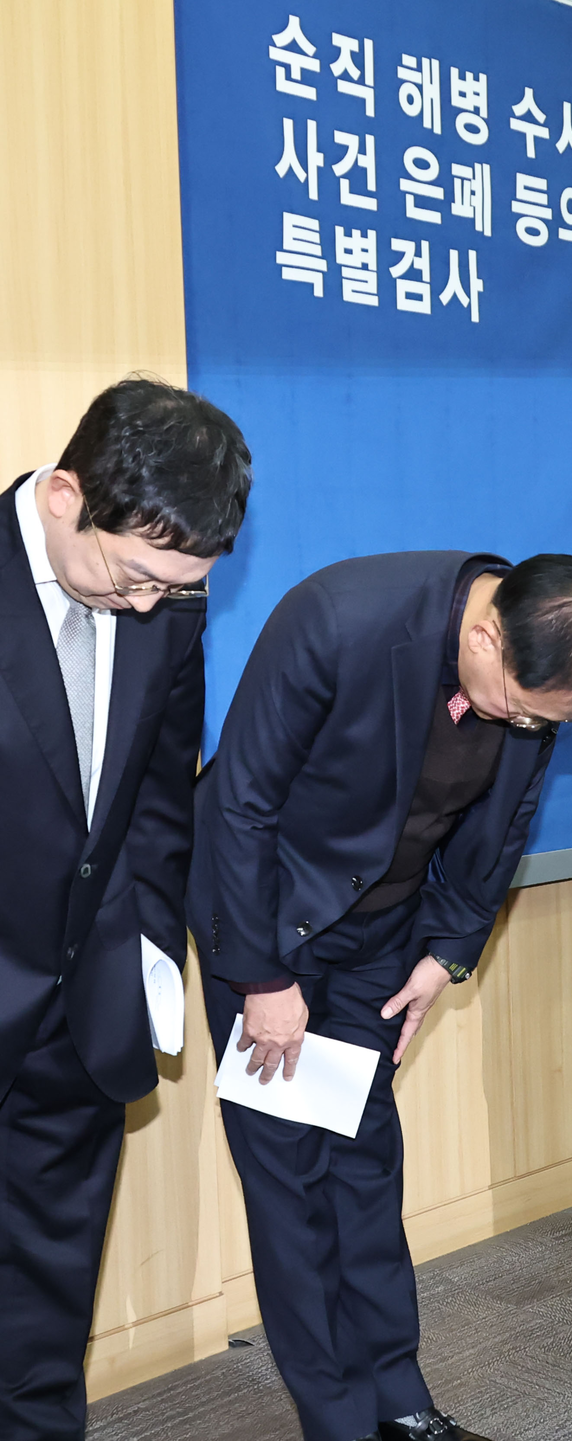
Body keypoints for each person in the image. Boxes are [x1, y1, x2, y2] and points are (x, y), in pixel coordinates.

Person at [188, 550, 572, 1441]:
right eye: (517, 706)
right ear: (486, 633)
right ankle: (336, 1420)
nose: (521, 726)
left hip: (384, 937)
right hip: (269, 926)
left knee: (364, 1157)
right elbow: (240, 803)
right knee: (287, 1176)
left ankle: (399, 1401)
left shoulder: (538, 670)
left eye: (544, 720)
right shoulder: (338, 618)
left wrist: (446, 952)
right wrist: (261, 976)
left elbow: (507, 819)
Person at [0, 379, 251, 1441]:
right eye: (135, 576)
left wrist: (146, 951)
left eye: (177, 587)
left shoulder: (168, 601)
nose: (151, 606)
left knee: (47, 1294)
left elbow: (157, 789)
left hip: (80, 1010)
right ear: (65, 494)